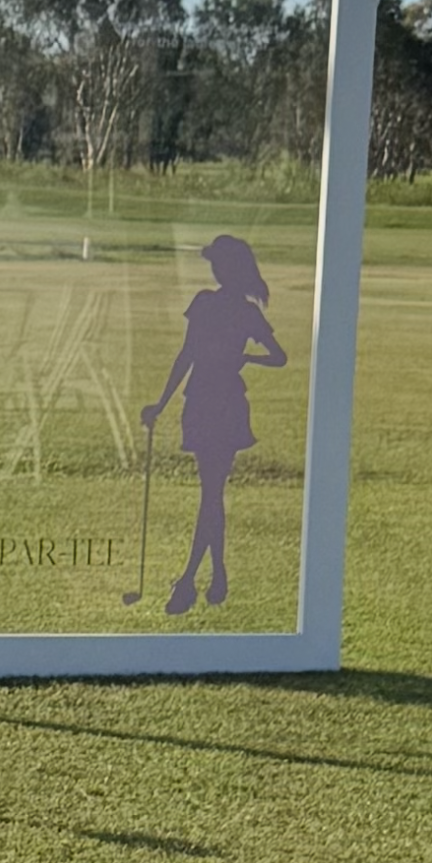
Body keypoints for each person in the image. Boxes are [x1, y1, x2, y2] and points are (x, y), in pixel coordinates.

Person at [141, 234, 286, 614]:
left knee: (210, 493)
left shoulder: (223, 307)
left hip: (217, 403)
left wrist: (248, 360)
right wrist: (160, 403)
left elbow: (279, 357)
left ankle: (189, 580)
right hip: (207, 403)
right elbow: (186, 355)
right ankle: (216, 573)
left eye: (219, 264)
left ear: (230, 268)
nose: (215, 269)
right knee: (212, 495)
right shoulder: (222, 307)